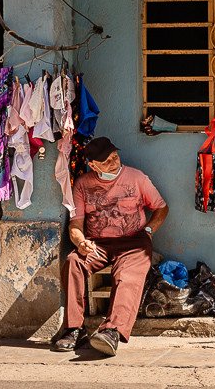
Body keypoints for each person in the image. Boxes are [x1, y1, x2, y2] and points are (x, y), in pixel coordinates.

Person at [53, 137, 169, 356]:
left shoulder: (136, 178)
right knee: (73, 262)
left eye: (115, 156)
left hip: (134, 242)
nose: (114, 163)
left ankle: (112, 331)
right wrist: (81, 242)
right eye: (106, 161)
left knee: (127, 275)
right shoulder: (82, 185)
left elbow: (161, 208)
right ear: (93, 165)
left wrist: (149, 231)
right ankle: (74, 330)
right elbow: (76, 225)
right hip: (98, 244)